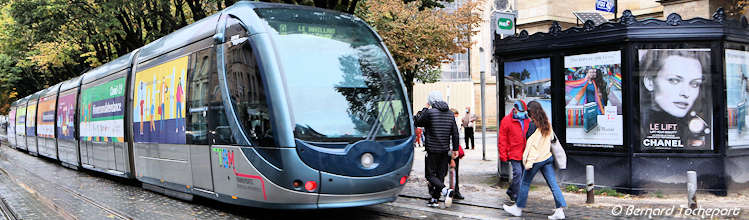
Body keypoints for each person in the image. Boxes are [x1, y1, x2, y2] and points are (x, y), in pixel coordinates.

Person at [503, 101, 566, 219]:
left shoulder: (533, 126)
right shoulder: (547, 123)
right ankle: (560, 210)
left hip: (536, 160)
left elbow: (533, 147)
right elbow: (551, 139)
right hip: (547, 158)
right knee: (553, 185)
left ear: (531, 112)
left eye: (528, 111)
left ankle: (518, 208)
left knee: (525, 183)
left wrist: (529, 163)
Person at [640, 50, 710, 148]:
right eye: (674, 80)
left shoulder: (702, 128)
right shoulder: (635, 125)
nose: (686, 93)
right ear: (649, 82)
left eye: (695, 84)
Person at [414, 90, 460, 208]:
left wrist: (425, 107)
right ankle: (434, 199)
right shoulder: (450, 113)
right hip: (445, 150)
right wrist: (455, 148)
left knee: (430, 175)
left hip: (432, 150)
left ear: (431, 100)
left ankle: (445, 191)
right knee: (440, 175)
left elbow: (418, 122)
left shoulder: (430, 113)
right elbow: (455, 133)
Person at [498, 100, 530, 205]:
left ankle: (511, 190)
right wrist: (503, 154)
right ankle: (516, 196)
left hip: (525, 153)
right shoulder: (506, 121)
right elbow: (502, 139)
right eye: (521, 111)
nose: (523, 113)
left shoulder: (527, 120)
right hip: (513, 152)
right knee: (518, 173)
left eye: (524, 111)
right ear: (515, 109)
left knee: (522, 175)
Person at [451, 109, 464, 200]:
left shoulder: (449, 121)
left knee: (445, 172)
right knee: (454, 171)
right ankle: (455, 191)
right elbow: (456, 136)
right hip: (453, 150)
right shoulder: (454, 122)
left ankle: (451, 190)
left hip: (447, 149)